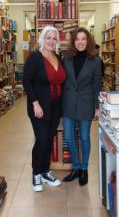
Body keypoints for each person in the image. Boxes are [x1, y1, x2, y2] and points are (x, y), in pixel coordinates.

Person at [23, 26, 66, 192]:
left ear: (57, 42)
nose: (51, 41)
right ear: (42, 39)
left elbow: (62, 81)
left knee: (49, 139)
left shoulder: (58, 57)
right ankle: (36, 173)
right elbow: (27, 81)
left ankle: (45, 171)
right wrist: (34, 102)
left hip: (55, 106)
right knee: (41, 140)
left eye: (54, 38)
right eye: (48, 37)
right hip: (39, 107)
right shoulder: (35, 58)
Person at [62, 27, 102, 186]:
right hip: (68, 102)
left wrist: (97, 105)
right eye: (77, 39)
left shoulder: (95, 61)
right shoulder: (66, 59)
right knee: (69, 137)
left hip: (86, 103)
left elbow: (97, 84)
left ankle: (84, 168)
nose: (80, 42)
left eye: (83, 39)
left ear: (88, 41)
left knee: (85, 137)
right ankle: (76, 168)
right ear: (73, 41)